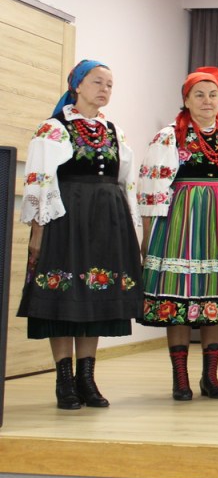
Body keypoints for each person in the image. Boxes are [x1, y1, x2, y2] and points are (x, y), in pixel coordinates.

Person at [19, 60, 144, 409]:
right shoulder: (54, 128)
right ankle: (64, 381)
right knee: (63, 297)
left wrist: (130, 228)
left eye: (109, 84)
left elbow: (127, 182)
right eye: (97, 82)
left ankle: (86, 378)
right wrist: (38, 232)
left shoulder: (115, 132)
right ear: (76, 85)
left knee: (96, 295)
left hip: (107, 221)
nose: (104, 89)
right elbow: (39, 181)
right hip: (66, 221)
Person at [138, 71, 218, 400]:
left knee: (217, 295)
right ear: (186, 100)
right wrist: (148, 235)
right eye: (199, 94)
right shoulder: (169, 136)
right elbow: (151, 189)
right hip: (181, 221)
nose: (207, 101)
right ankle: (180, 377)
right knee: (178, 297)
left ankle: (210, 376)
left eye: (213, 95)